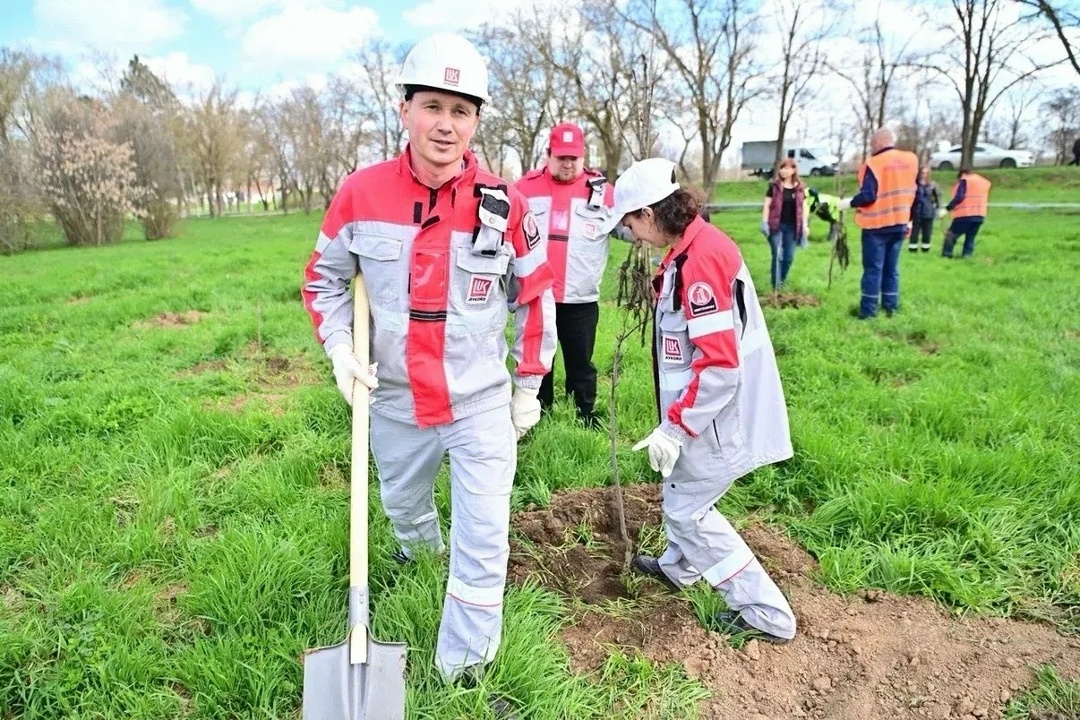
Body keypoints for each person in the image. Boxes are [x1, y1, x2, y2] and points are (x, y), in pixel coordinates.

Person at [301, 32, 555, 717]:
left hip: (478, 406)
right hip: (393, 401)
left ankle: (464, 671)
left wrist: (530, 384)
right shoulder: (360, 194)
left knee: (484, 534)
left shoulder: (507, 205)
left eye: (462, 111)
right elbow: (323, 281)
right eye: (433, 106)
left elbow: (535, 296)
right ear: (405, 109)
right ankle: (421, 559)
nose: (446, 125)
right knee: (405, 510)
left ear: (476, 121)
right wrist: (338, 347)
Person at [614, 157, 797, 645]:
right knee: (681, 490)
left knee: (687, 512)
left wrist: (675, 428)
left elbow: (718, 368)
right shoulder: (690, 248)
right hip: (706, 414)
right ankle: (679, 568)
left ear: (649, 215)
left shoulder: (700, 264)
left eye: (630, 223)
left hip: (717, 418)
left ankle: (766, 613)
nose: (630, 234)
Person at [514, 123, 616, 428]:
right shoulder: (524, 189)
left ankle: (584, 414)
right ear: (548, 154)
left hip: (580, 297)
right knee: (537, 361)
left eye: (574, 158)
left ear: (583, 156)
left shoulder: (602, 193)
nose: (568, 164)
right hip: (537, 295)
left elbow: (627, 227)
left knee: (581, 362)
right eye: (561, 157)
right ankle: (536, 415)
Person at [837, 128, 918, 319]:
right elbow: (915, 193)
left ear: (879, 142)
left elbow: (868, 195)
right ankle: (891, 307)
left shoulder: (874, 163)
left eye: (873, 144)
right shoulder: (911, 160)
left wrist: (848, 203)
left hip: (876, 226)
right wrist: (910, 221)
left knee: (873, 269)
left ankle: (868, 312)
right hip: (900, 223)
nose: (872, 148)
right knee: (892, 268)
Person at [759, 158, 810, 291]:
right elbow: (767, 205)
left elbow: (803, 207)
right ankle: (776, 288)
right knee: (777, 255)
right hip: (775, 226)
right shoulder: (774, 186)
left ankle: (781, 281)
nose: (783, 171)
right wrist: (764, 222)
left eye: (787, 168)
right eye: (782, 168)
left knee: (788, 257)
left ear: (793, 170)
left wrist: (805, 225)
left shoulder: (800, 188)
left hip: (793, 228)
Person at [939, 166, 992, 259]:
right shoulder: (983, 182)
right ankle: (967, 256)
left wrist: (947, 209)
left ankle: (946, 255)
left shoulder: (965, 180)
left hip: (965, 214)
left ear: (961, 175)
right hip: (980, 214)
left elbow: (959, 197)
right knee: (970, 237)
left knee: (951, 235)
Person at [911, 166, 940, 253]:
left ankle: (925, 249)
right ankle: (913, 249)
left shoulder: (932, 185)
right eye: (923, 173)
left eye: (926, 173)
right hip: (916, 211)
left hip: (928, 211)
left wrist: (939, 208)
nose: (924, 175)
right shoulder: (915, 185)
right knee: (915, 231)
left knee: (927, 231)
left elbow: (938, 197)